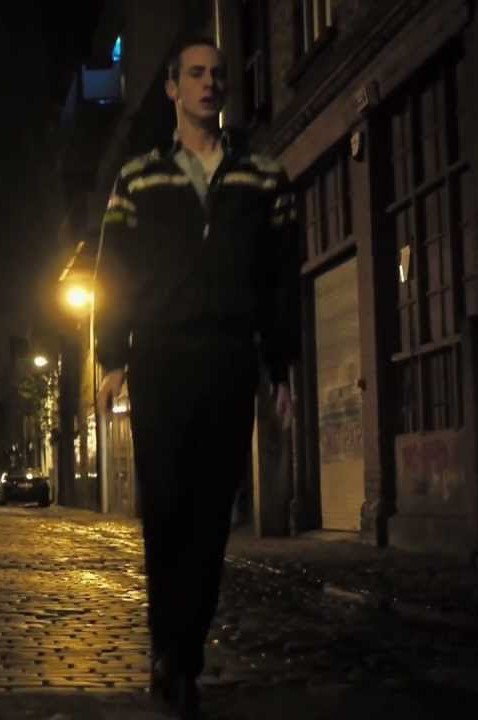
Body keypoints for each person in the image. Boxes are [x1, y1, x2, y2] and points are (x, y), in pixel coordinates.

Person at [94, 36, 299, 719]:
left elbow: (280, 277)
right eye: (195, 74)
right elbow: (113, 272)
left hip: (228, 356)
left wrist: (281, 365)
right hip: (159, 357)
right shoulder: (139, 179)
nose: (209, 83)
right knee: (166, 508)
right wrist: (111, 358)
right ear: (173, 89)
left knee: (212, 513)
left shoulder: (263, 177)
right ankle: (172, 649)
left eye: (217, 73)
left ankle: (185, 648)